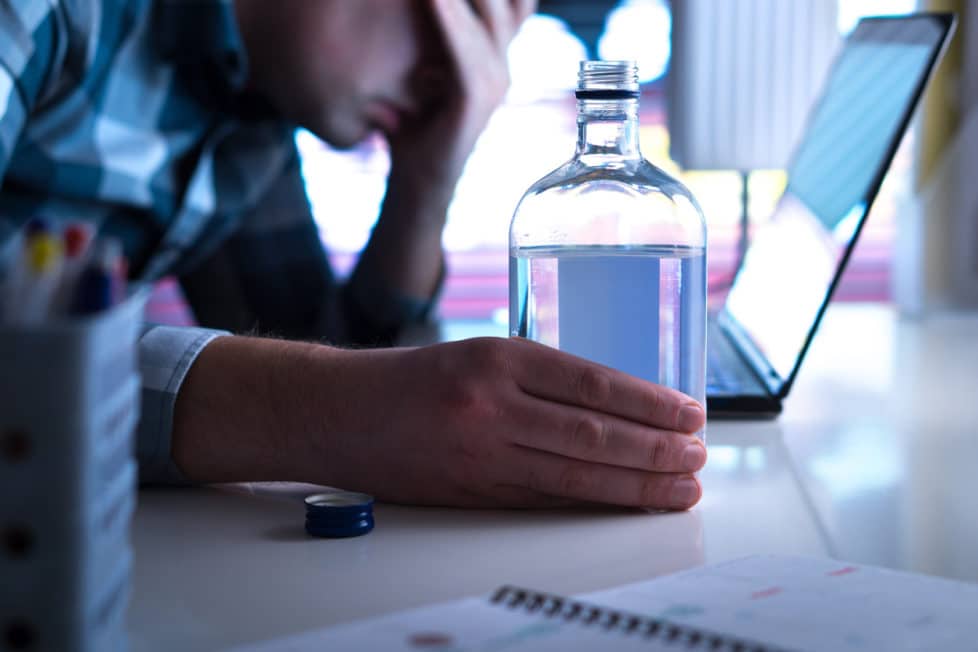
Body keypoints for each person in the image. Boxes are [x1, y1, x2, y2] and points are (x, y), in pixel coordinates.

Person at [0, 0, 707, 510]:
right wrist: (326, 409)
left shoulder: (246, 127)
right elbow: (337, 403)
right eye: (451, 19)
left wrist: (428, 179)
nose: (454, 83)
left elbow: (333, 361)